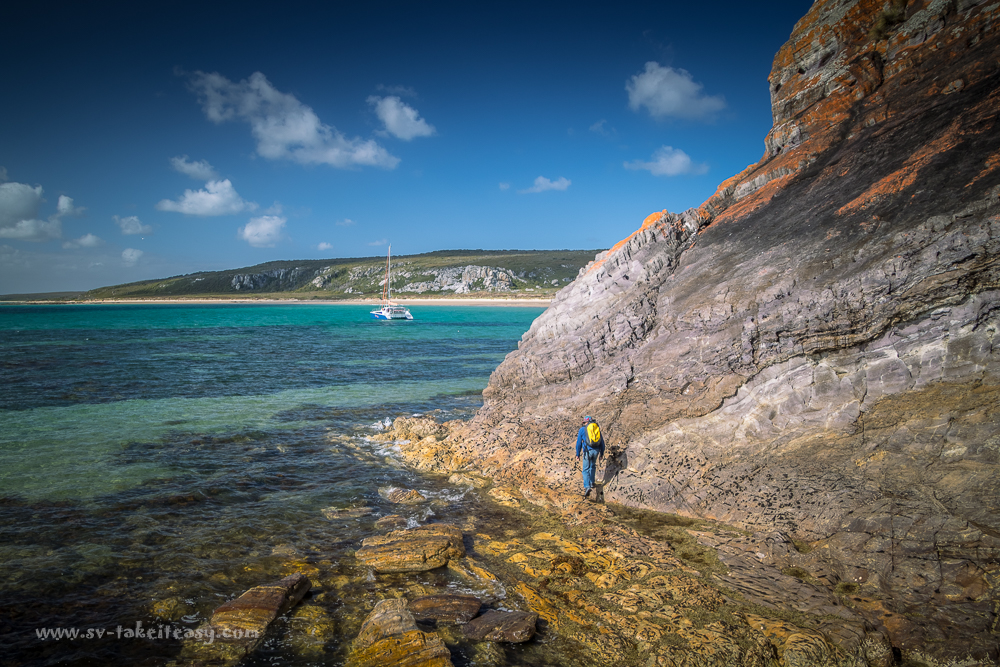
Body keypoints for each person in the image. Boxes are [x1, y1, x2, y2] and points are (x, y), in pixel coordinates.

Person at [575, 416, 605, 499]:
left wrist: (577, 454)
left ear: (585, 422)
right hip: (596, 451)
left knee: (585, 469)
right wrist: (602, 453)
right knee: (593, 466)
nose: (584, 424)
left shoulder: (582, 430)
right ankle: (592, 483)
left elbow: (578, 443)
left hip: (587, 451)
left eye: (584, 422)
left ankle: (587, 487)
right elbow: (602, 442)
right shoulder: (596, 428)